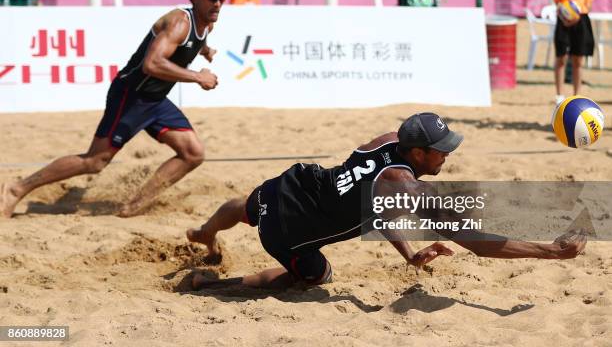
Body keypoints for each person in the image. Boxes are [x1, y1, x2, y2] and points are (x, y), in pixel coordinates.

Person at [186, 113, 586, 290]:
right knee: (316, 278)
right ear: (417, 154)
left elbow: (377, 206)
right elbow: (477, 243)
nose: (447, 155)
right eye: (440, 150)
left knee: (245, 205)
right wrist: (550, 251)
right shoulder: (406, 186)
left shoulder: (387, 141)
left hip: (288, 187)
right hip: (288, 233)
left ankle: (205, 234)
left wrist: (408, 255)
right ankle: (212, 285)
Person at [0, 0, 225, 218]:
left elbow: (193, 42)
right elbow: (151, 64)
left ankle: (132, 207)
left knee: (193, 154)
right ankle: (16, 188)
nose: (218, 4)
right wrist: (197, 76)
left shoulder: (206, 24)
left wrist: (205, 50)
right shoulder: (179, 22)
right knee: (94, 162)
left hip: (156, 100)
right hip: (131, 95)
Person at [551, 0, 594, 105]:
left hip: (581, 19)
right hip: (564, 20)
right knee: (561, 57)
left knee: (578, 59)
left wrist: (577, 15)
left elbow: (588, 1)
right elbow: (559, 3)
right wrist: (568, 17)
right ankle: (559, 94)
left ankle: (577, 95)